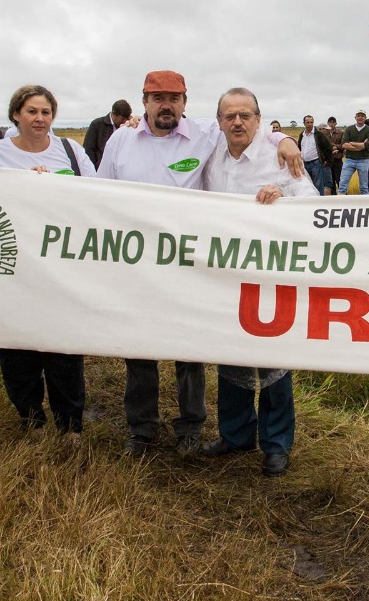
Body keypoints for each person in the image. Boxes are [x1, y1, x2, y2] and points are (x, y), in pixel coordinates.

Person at [97, 70, 301, 457]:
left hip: (195, 266)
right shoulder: (120, 140)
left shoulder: (205, 134)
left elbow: (249, 125)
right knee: (139, 348)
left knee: (191, 348)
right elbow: (101, 192)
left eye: (174, 97)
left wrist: (286, 139)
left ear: (185, 103)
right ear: (144, 101)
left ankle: (192, 427)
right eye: (157, 97)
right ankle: (141, 428)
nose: (166, 104)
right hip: (138, 264)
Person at [200, 87, 316, 476]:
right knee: (230, 354)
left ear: (259, 119)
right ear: (219, 122)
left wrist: (281, 193)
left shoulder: (277, 154)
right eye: (230, 116)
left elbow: (310, 197)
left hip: (269, 272)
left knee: (272, 361)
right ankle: (235, 435)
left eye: (245, 115)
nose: (237, 122)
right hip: (224, 272)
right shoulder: (211, 152)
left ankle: (276, 443)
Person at [0, 85, 95, 444]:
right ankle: (32, 421)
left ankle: (70, 424)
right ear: (15, 115)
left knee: (64, 351)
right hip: (13, 267)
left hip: (61, 268)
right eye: (31, 111)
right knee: (17, 351)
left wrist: (54, 191)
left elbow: (96, 198)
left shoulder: (71, 152)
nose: (39, 118)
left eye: (45, 112)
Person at [83, 99, 132, 169]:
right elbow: (89, 150)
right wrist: (94, 169)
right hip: (100, 171)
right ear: (114, 114)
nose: (125, 121)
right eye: (122, 119)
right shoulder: (96, 124)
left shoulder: (128, 126)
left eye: (127, 118)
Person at [337, 110, 369, 195]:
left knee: (364, 187)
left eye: (362, 116)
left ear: (365, 118)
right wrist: (361, 146)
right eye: (358, 115)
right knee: (342, 185)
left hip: (363, 160)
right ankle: (339, 204)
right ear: (355, 117)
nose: (360, 117)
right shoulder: (349, 129)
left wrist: (352, 143)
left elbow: (368, 145)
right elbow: (343, 145)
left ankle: (365, 205)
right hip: (349, 160)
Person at [295, 114, 334, 195]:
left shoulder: (319, 135)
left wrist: (328, 161)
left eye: (311, 122)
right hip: (304, 164)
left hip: (316, 163)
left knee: (318, 185)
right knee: (307, 185)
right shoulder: (302, 135)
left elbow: (328, 148)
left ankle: (319, 203)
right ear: (304, 123)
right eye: (307, 122)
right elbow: (299, 148)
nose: (309, 124)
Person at [322, 116, 344, 195]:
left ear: (336, 123)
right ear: (328, 123)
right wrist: (332, 147)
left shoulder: (341, 133)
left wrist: (335, 147)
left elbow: (343, 145)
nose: (331, 124)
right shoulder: (324, 133)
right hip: (328, 160)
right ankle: (333, 198)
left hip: (337, 159)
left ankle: (344, 197)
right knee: (330, 181)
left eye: (333, 122)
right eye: (330, 122)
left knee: (340, 180)